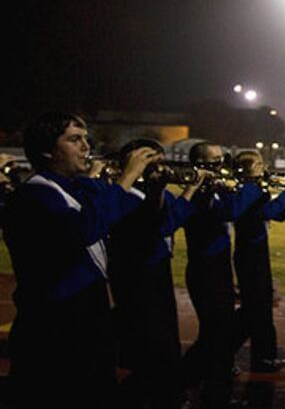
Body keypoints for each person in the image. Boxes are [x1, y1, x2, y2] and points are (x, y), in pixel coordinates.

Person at [2, 112, 157, 408]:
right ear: (47, 150)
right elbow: (84, 229)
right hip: (54, 325)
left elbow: (133, 211)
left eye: (86, 138)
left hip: (86, 313)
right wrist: (125, 177)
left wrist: (150, 181)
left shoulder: (72, 188)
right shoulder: (34, 195)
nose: (86, 146)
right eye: (74, 139)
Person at [108, 139, 206, 409]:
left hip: (158, 270)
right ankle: (160, 393)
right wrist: (166, 192)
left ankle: (167, 389)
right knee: (151, 340)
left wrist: (189, 190)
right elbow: (161, 225)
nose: (159, 168)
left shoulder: (155, 192)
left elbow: (174, 217)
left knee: (164, 336)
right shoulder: (125, 195)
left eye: (160, 160)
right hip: (136, 274)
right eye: (149, 161)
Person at [181, 142, 267, 408]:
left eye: (222, 159)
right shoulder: (199, 194)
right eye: (214, 161)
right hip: (205, 271)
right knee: (217, 336)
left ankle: (193, 379)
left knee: (216, 335)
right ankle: (207, 390)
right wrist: (251, 183)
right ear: (199, 164)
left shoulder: (214, 189)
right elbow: (230, 212)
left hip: (218, 268)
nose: (222, 165)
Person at [230, 150, 285, 372]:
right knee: (255, 310)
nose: (264, 166)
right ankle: (224, 352)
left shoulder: (254, 189)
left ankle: (264, 357)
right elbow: (269, 212)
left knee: (261, 309)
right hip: (250, 253)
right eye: (259, 163)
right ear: (247, 168)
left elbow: (279, 215)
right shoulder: (247, 189)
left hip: (257, 251)